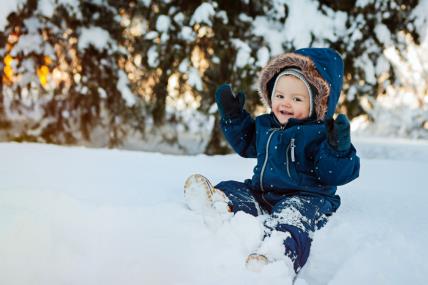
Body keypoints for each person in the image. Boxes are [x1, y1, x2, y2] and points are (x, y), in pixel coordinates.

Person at [184, 48, 360, 273]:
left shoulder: (320, 134)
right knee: (234, 188)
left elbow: (333, 173)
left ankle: (277, 255)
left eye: (297, 98)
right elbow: (247, 143)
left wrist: (338, 150)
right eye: (280, 96)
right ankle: (218, 204)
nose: (285, 103)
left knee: (292, 221)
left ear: (317, 103)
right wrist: (233, 116)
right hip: (263, 192)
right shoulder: (266, 124)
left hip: (306, 198)